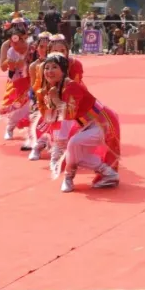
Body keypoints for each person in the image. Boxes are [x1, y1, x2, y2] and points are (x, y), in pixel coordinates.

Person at [41, 53, 121, 192]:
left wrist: (56, 100)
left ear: (63, 70)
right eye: (46, 68)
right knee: (76, 153)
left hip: (102, 122)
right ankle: (109, 174)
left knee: (73, 144)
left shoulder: (72, 86)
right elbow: (55, 117)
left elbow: (69, 114)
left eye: (54, 67)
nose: (49, 71)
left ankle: (68, 177)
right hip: (86, 125)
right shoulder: (55, 88)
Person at [0, 18, 33, 146]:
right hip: (16, 79)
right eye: (16, 26)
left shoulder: (31, 45)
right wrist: (11, 63)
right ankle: (10, 127)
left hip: (30, 77)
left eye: (22, 27)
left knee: (32, 105)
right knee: (15, 105)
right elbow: (3, 67)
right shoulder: (8, 47)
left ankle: (31, 132)